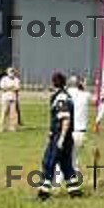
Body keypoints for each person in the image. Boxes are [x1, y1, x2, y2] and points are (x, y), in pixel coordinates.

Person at [38, 72, 82, 200]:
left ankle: (43, 193)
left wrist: (61, 138)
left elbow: (65, 119)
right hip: (64, 136)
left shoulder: (61, 97)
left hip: (60, 136)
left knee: (48, 162)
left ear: (53, 82)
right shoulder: (65, 95)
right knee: (66, 165)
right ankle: (75, 192)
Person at [66, 75, 92, 171]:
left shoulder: (64, 94)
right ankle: (74, 181)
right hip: (80, 132)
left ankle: (57, 182)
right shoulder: (85, 95)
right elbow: (96, 101)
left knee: (62, 158)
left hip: (66, 130)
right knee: (74, 159)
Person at [0, 67, 21, 132]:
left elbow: (17, 88)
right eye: (10, 72)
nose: (12, 73)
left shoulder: (16, 79)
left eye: (13, 72)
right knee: (3, 113)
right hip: (5, 99)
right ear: (7, 72)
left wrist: (9, 88)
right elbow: (2, 88)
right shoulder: (4, 79)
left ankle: (12, 127)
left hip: (13, 98)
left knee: (13, 114)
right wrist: (12, 87)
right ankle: (1, 127)